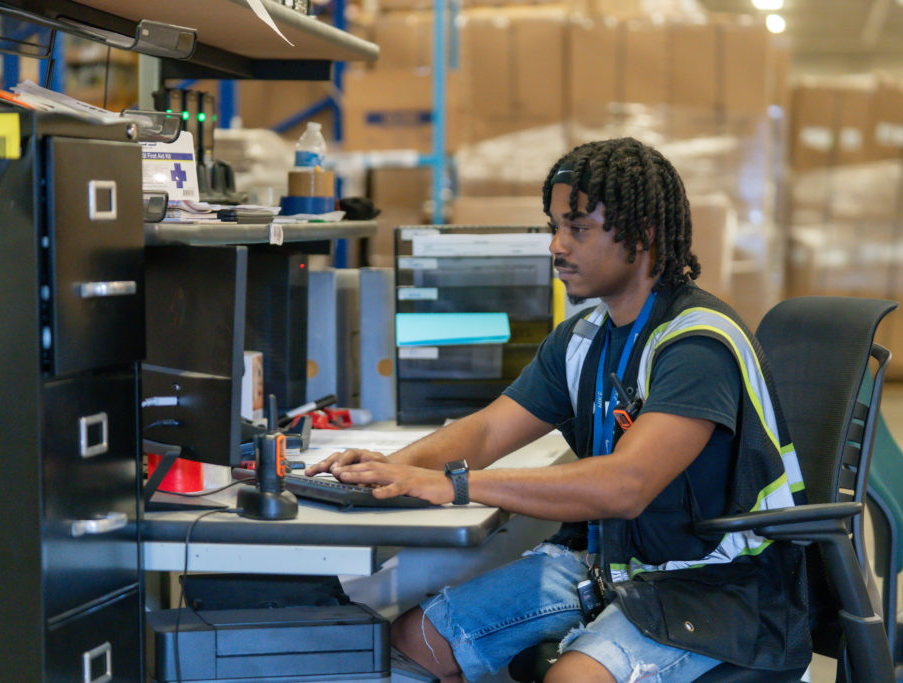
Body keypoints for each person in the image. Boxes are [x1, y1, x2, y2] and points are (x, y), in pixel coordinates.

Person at [307, 137, 810, 683]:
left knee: (571, 680)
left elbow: (625, 485)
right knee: (414, 641)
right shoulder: (583, 338)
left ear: (641, 237)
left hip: (719, 586)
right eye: (554, 226)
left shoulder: (698, 345)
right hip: (611, 564)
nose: (555, 246)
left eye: (577, 229)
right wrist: (386, 472)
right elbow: (488, 430)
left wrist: (455, 485)